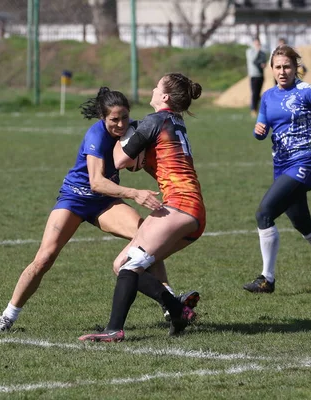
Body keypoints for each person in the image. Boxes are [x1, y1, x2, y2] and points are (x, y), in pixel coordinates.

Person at [0, 87, 198, 334]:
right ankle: (8, 316)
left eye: (124, 118)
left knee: (145, 236)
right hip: (75, 199)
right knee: (45, 257)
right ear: (102, 117)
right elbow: (96, 182)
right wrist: (135, 193)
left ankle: (170, 301)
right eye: (113, 120)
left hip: (104, 202)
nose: (120, 125)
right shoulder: (96, 135)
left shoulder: (134, 128)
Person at [78, 73, 206, 342]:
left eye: (157, 86)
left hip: (179, 206)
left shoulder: (154, 120)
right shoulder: (175, 121)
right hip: (191, 210)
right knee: (121, 265)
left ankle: (115, 330)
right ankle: (176, 310)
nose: (153, 88)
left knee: (129, 264)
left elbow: (121, 159)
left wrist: (125, 136)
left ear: (165, 97)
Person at [243, 45, 311, 294]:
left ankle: (267, 279)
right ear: (271, 69)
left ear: (296, 68)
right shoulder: (268, 96)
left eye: (287, 67)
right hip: (280, 164)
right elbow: (261, 127)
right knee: (302, 222)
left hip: (303, 162)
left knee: (264, 214)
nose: (282, 72)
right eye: (278, 67)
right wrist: (258, 131)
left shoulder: (307, 92)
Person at [246, 36, 267, 118]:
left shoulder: (262, 53)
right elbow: (252, 59)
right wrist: (257, 51)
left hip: (261, 75)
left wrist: (263, 64)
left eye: (259, 43)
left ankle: (257, 108)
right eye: (256, 43)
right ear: (253, 43)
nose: (258, 45)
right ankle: (253, 109)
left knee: (258, 94)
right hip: (253, 75)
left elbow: (264, 60)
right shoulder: (250, 51)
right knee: (254, 93)